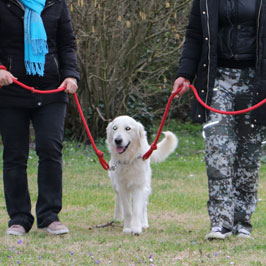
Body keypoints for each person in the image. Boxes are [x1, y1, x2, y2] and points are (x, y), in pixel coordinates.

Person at [173, 0, 266, 240]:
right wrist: (185, 73)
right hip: (217, 80)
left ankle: (242, 221)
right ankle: (220, 222)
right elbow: (194, 34)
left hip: (256, 82)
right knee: (217, 150)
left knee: (249, 155)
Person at [0, 0, 79, 236]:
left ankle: (49, 216)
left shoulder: (57, 4)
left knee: (50, 148)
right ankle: (19, 218)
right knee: (14, 154)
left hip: (52, 90)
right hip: (11, 90)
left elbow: (67, 44)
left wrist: (71, 75)